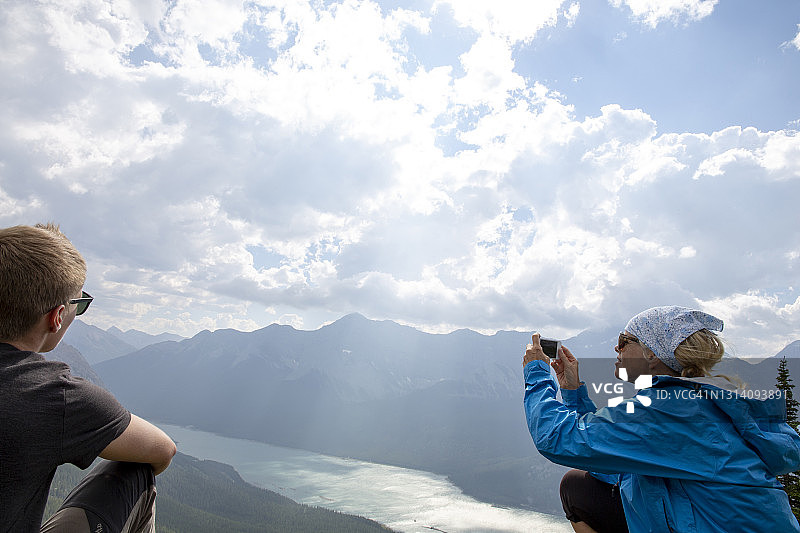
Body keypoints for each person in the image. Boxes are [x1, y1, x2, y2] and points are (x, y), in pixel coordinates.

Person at [522, 306, 800, 533]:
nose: (616, 348)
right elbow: (609, 459)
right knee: (578, 487)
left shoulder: (673, 411)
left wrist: (537, 373)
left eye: (624, 341)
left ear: (652, 353)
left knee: (577, 487)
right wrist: (572, 391)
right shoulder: (692, 403)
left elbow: (558, 439)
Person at [0, 223, 177, 533]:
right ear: (56, 317)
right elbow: (163, 450)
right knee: (137, 472)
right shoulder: (51, 395)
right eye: (78, 305)